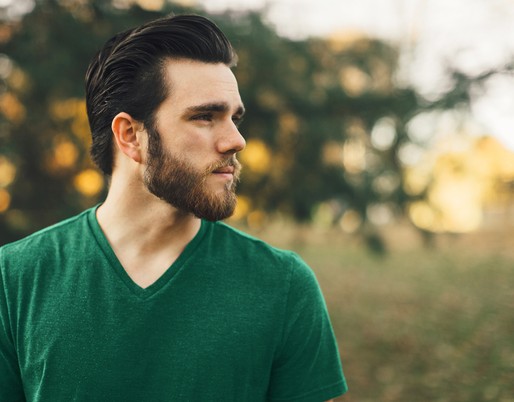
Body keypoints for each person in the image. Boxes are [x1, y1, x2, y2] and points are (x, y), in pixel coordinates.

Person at [0, 14, 347, 401]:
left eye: (234, 118)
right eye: (204, 117)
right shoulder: (13, 280)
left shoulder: (283, 286)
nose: (236, 140)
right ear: (130, 135)